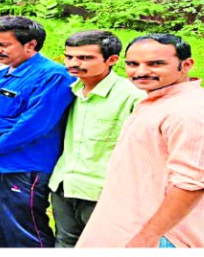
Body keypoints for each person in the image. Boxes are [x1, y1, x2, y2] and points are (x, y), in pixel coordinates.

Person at [77, 34, 204, 248]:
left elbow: (191, 185)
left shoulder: (191, 113)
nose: (141, 72)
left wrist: (148, 237)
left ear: (186, 65)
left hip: (158, 237)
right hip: (125, 226)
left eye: (156, 64)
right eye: (132, 64)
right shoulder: (159, 99)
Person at [0, 16, 74, 247]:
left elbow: (33, 125)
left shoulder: (52, 76)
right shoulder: (0, 75)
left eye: (3, 45)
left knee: (24, 231)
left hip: (22, 166)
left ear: (30, 44)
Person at [49, 30, 144, 247]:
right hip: (64, 184)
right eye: (69, 56)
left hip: (104, 191)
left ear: (111, 60)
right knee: (65, 242)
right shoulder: (68, 91)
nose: (74, 63)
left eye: (85, 58)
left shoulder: (132, 96)